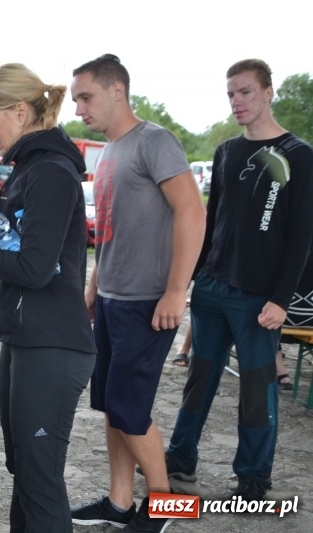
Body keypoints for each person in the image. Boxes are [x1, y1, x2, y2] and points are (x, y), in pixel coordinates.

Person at [0, 63, 97, 532]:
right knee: (24, 473)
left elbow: (33, 268)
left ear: (21, 111)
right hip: (26, 337)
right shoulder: (30, 169)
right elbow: (19, 242)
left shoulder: (51, 170)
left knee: (41, 482)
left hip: (53, 343)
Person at [69, 54, 206, 533]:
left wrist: (176, 292)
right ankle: (120, 501)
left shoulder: (154, 140)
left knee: (130, 409)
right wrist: (94, 286)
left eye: (86, 97)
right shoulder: (108, 152)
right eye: (76, 100)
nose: (79, 108)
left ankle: (166, 506)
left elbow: (192, 212)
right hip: (112, 298)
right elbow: (109, 231)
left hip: (150, 303)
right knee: (110, 403)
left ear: (116, 91)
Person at [165, 59, 313, 501]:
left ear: (269, 93)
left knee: (256, 390)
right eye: (230, 93)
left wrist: (281, 300)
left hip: (258, 300)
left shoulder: (300, 156)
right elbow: (212, 223)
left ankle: (252, 477)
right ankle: (179, 458)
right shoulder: (227, 151)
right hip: (212, 288)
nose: (237, 101)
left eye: (245, 92)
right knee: (199, 379)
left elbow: (303, 237)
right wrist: (190, 279)